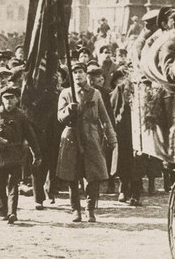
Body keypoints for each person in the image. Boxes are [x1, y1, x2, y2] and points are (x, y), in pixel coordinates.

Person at [56, 61, 118, 222]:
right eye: (75, 72)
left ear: (86, 74)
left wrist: (111, 137)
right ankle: (75, 209)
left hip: (91, 136)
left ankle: (90, 210)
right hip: (71, 136)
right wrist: (69, 109)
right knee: (72, 174)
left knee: (94, 174)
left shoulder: (95, 93)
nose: (78, 75)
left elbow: (104, 117)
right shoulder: (66, 93)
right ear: (72, 75)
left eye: (81, 72)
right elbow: (60, 117)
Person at [0, 85, 40, 224]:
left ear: (17, 99)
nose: (9, 101)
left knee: (14, 184)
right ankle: (2, 210)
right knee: (0, 183)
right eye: (6, 98)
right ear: (2, 99)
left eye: (12, 98)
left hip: (16, 153)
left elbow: (31, 136)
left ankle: (12, 212)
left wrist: (37, 154)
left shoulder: (21, 115)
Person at [108, 67, 139, 205]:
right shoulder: (120, 89)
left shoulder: (142, 87)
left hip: (139, 130)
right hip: (124, 131)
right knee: (124, 160)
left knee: (138, 161)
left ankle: (136, 194)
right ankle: (123, 190)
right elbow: (113, 109)